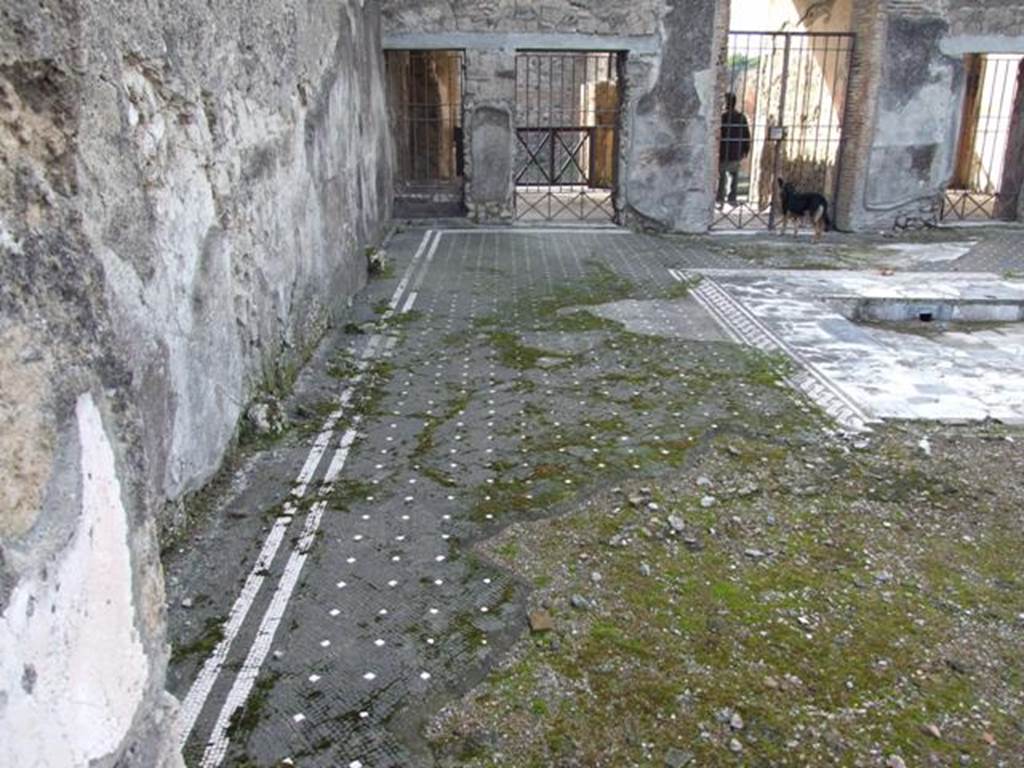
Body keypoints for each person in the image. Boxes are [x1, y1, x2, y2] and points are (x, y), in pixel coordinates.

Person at [718, 92, 751, 205]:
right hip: (736, 150)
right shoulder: (741, 117)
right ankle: (732, 197)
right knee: (734, 175)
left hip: (724, 150)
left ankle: (720, 197)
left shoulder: (723, 117)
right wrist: (746, 149)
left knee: (722, 176)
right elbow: (746, 134)